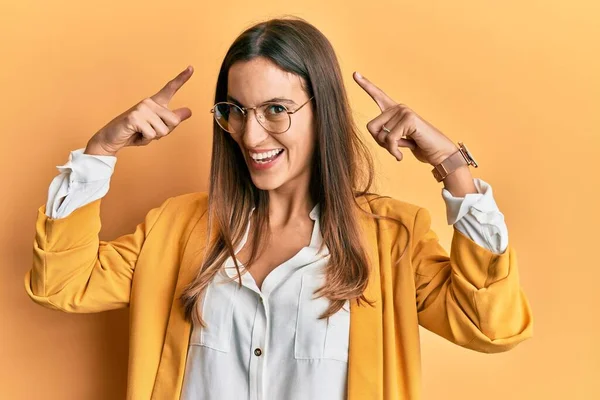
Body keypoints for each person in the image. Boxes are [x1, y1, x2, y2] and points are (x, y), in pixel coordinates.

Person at [24, 17, 533, 400]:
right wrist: (99, 152)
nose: (250, 134)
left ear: (324, 109)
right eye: (236, 111)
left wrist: (451, 164)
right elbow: (62, 284)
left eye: (275, 110)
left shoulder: (392, 236)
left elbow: (491, 326)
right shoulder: (175, 228)